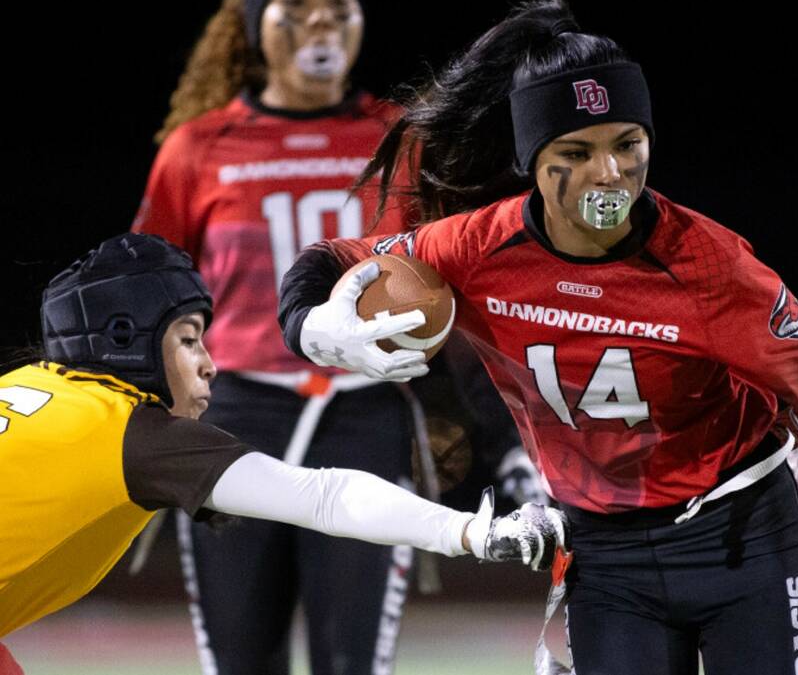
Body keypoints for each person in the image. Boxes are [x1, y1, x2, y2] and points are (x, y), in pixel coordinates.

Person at [276, 0, 798, 675]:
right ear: (532, 160)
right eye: (577, 151)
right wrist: (316, 326)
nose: (608, 171)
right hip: (604, 552)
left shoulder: (711, 265)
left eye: (627, 143)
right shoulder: (474, 248)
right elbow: (334, 258)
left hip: (742, 539)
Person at [132, 0, 529, 674]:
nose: (321, 22)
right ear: (255, 26)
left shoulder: (397, 138)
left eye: (338, 5)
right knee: (242, 661)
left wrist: (509, 434)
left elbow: (455, 286)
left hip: (362, 413)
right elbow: (148, 292)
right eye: (297, 5)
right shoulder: (198, 148)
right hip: (235, 411)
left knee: (353, 662)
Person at [0, 234, 567, 673]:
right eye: (189, 338)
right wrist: (472, 532)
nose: (210, 363)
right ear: (125, 338)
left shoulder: (25, 382)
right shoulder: (134, 433)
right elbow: (325, 496)